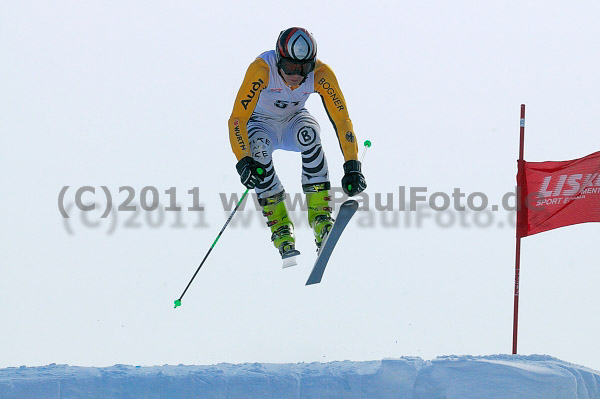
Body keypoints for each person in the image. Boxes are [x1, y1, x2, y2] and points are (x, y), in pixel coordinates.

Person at [228, 27, 367, 259]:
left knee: (309, 133)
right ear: (279, 59)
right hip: (260, 125)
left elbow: (342, 120)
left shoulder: (321, 74)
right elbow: (237, 119)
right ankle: (281, 228)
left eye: (303, 68)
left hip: (293, 121)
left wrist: (352, 165)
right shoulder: (262, 69)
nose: (296, 75)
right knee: (259, 151)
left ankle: (320, 216)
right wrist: (244, 161)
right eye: (290, 67)